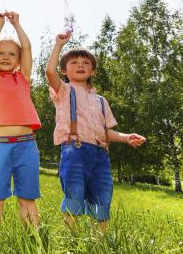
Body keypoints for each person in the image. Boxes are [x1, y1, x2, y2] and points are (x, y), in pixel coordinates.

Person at [46, 32, 146, 231]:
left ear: (93, 70)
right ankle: (71, 240)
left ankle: (99, 242)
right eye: (74, 62)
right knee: (75, 193)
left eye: (86, 62)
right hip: (75, 151)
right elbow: (50, 72)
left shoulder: (101, 100)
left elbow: (105, 132)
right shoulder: (64, 92)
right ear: (64, 70)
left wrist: (127, 138)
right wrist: (58, 45)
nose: (81, 65)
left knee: (102, 195)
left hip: (100, 154)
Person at [0, 11, 42, 245]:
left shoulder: (23, 78)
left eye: (11, 54)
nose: (6, 57)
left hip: (27, 145)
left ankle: (34, 241)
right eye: (1, 53)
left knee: (27, 196)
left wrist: (17, 25)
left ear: (18, 60)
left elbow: (27, 48)